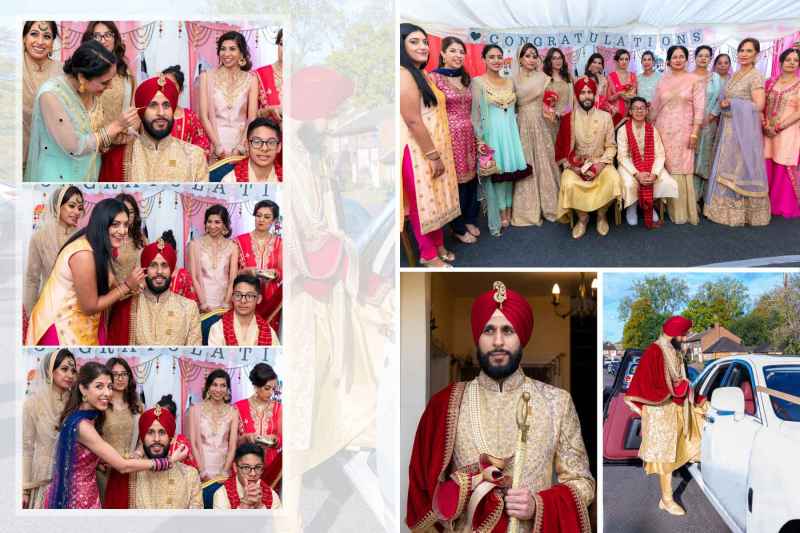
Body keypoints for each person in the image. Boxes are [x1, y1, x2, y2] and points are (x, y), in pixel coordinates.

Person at [406, 281, 595, 532]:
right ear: (478, 336)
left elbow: (583, 483)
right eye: (488, 330)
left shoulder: (557, 402)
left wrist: (538, 505)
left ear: (522, 337)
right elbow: (422, 492)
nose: (497, 341)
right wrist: (462, 487)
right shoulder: (445, 405)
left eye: (508, 331)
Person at [44, 362, 188, 508]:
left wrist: (101, 459)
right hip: (78, 497)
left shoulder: (86, 416)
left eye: (109, 387)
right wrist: (169, 461)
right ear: (83, 389)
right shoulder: (82, 425)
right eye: (99, 386)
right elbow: (123, 466)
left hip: (87, 488)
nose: (107, 393)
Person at [26, 198, 146, 346]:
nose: (122, 231)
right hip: (60, 326)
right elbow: (89, 307)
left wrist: (132, 286)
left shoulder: (98, 245)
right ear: (102, 224)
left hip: (82, 324)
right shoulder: (83, 254)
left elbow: (109, 283)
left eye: (125, 224)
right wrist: (126, 286)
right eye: (115, 224)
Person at [25, 40, 139, 182]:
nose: (110, 86)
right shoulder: (51, 95)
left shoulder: (91, 91)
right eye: (104, 82)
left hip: (89, 172)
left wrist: (112, 138)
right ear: (82, 77)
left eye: (111, 80)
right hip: (58, 176)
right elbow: (75, 146)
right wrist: (115, 126)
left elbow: (91, 134)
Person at [624, 316, 703, 516]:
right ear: (676, 332)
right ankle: (666, 500)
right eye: (684, 334)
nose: (685, 338)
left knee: (678, 449)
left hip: (675, 410)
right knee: (665, 456)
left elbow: (679, 378)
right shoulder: (654, 351)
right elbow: (652, 384)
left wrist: (690, 392)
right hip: (660, 413)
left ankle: (666, 499)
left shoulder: (673, 349)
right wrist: (681, 388)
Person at [400, 23, 460, 267]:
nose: (423, 46)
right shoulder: (403, 74)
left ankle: (437, 244)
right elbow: (413, 120)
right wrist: (433, 155)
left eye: (424, 41)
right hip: (417, 151)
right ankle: (428, 255)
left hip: (431, 147)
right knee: (422, 204)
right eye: (414, 41)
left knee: (433, 199)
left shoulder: (420, 73)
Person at [705, 38, 771, 226]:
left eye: (749, 51)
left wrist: (732, 103)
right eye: (741, 50)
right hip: (728, 128)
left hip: (744, 130)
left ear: (756, 55)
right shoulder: (736, 74)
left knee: (739, 167)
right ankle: (720, 210)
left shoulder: (755, 75)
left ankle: (741, 213)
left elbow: (759, 105)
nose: (743, 54)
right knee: (726, 166)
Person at [99, 74, 209, 181]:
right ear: (141, 112)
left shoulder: (194, 156)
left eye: (166, 105)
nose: (161, 112)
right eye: (153, 105)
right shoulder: (116, 159)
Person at [472, 44, 532, 235]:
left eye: (499, 57)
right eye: (492, 57)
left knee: (508, 172)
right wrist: (480, 139)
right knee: (495, 174)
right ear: (483, 59)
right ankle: (498, 214)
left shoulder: (509, 82)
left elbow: (514, 109)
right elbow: (475, 114)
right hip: (492, 134)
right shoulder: (478, 82)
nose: (496, 60)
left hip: (509, 132)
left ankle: (508, 210)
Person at [555, 76, 623, 238]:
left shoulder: (605, 117)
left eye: (590, 92)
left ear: (595, 95)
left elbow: (611, 146)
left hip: (600, 161)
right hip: (576, 164)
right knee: (568, 183)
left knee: (613, 179)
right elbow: (561, 150)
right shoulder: (568, 119)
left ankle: (601, 215)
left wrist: (600, 165)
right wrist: (575, 168)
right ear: (577, 95)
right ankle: (583, 218)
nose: (587, 96)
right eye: (583, 92)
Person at [429, 36, 479, 244]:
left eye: (461, 52)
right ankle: (457, 227)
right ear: (442, 54)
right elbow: (429, 111)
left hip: (468, 134)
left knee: (470, 180)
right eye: (453, 51)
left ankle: (468, 218)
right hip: (448, 137)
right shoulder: (434, 78)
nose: (458, 55)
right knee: (455, 183)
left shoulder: (466, 78)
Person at [106, 237, 202, 345]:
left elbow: (193, 354)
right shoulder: (125, 307)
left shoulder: (189, 308)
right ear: (145, 270)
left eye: (164, 266)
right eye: (153, 265)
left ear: (171, 270)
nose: (159, 271)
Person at [104, 405, 203, 509]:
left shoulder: (189, 476)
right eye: (150, 432)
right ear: (142, 438)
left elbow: (195, 522)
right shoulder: (129, 474)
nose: (156, 439)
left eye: (162, 432)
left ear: (171, 438)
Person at [650, 45, 705, 225]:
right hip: (663, 130)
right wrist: (648, 129)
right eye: (674, 57)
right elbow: (655, 107)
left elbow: (700, 108)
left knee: (682, 167)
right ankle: (663, 206)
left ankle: (681, 209)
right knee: (664, 164)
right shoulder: (662, 81)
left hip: (684, 131)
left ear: (686, 59)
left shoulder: (695, 80)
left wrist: (695, 133)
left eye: (682, 56)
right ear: (668, 61)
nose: (678, 59)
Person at [512, 43, 561, 226]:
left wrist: (552, 108)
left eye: (534, 55)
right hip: (523, 123)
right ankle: (528, 210)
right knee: (527, 162)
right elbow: (512, 105)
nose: (532, 59)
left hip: (542, 123)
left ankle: (550, 205)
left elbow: (550, 102)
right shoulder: (513, 80)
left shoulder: (544, 78)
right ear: (520, 59)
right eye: (527, 56)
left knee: (544, 160)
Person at [22, 349, 77, 508]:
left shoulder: (75, 403)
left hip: (71, 479)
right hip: (42, 479)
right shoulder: (33, 403)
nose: (70, 375)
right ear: (50, 370)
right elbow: (27, 448)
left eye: (73, 370)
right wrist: (24, 489)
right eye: (64, 369)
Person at [24, 186, 84, 327]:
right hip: (47, 310)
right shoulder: (40, 237)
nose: (77, 212)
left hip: (77, 311)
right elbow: (32, 279)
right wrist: (31, 314)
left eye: (80, 208)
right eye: (71, 206)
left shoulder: (83, 238)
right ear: (58, 206)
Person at [618, 97, 679, 228]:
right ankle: (632, 208)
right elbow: (622, 156)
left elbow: (660, 154)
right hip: (629, 165)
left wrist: (655, 173)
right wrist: (636, 174)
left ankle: (650, 207)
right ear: (630, 111)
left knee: (666, 180)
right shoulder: (623, 130)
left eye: (642, 108)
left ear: (646, 111)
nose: (639, 111)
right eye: (635, 108)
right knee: (629, 183)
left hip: (651, 164)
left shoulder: (653, 129)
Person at [199, 31, 259, 161]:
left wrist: (241, 146)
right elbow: (203, 116)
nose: (226, 54)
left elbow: (251, 118)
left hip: (242, 143)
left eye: (232, 49)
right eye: (223, 49)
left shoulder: (251, 79)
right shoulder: (206, 77)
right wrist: (217, 145)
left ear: (241, 53)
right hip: (214, 142)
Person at [97, 357, 143, 499]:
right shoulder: (100, 405)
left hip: (131, 469)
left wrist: (139, 453)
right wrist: (98, 460)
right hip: (104, 470)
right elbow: (91, 438)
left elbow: (143, 438)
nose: (120, 378)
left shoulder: (138, 406)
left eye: (124, 374)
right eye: (115, 375)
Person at [233, 200, 282, 331]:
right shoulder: (239, 241)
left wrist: (275, 273)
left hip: (271, 299)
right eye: (258, 215)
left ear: (274, 220)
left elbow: (282, 272)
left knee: (267, 336)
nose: (261, 220)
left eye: (267, 217)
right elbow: (231, 273)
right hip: (245, 296)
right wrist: (246, 271)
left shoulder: (280, 243)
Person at [764, 48, 800, 218]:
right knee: (767, 161)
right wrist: (765, 125)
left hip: (788, 131)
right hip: (767, 131)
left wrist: (779, 127)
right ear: (781, 62)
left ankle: (782, 205)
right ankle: (765, 203)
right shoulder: (770, 82)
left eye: (795, 60)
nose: (792, 63)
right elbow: (762, 106)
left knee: (782, 162)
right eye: (788, 59)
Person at [81, 22, 136, 131]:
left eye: (108, 35)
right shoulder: (82, 72)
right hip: (91, 142)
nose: (103, 40)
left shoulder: (125, 72)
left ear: (115, 38)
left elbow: (132, 110)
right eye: (97, 36)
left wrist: (130, 131)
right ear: (89, 40)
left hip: (121, 140)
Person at [23, 21, 62, 170]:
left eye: (46, 36)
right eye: (34, 34)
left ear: (52, 43)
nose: (40, 42)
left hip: (52, 158)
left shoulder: (63, 72)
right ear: (24, 38)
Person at [235, 363, 282, 488]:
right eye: (267, 388)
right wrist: (246, 438)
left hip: (272, 467)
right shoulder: (239, 407)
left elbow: (281, 439)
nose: (271, 392)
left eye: (273, 388)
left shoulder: (278, 408)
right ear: (256, 386)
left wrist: (274, 439)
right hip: (246, 466)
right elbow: (232, 442)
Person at [189, 369, 240, 482]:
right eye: (214, 385)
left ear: (227, 389)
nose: (218, 389)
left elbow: (232, 446)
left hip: (223, 471)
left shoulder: (233, 412)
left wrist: (224, 472)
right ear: (208, 387)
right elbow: (193, 443)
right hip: (200, 470)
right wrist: (202, 472)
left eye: (223, 386)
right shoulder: (195, 410)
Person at [188, 204, 239, 313]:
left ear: (225, 224)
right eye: (209, 221)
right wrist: (203, 304)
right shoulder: (194, 244)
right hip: (200, 302)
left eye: (217, 222)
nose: (212, 226)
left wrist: (226, 303)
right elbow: (193, 277)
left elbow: (232, 279)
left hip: (224, 303)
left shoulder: (233, 247)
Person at [207, 274, 280, 346]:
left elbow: (277, 357)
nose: (243, 301)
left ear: (258, 299)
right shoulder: (218, 329)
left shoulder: (268, 332)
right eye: (238, 295)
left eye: (249, 296)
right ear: (232, 297)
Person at [692, 45, 724, 202]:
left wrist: (711, 116)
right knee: (692, 156)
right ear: (695, 58)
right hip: (691, 124)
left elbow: (720, 99)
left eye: (707, 56)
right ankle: (691, 196)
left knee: (706, 156)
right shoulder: (688, 77)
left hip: (710, 123)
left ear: (710, 59)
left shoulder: (716, 78)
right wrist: (695, 120)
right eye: (700, 55)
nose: (703, 58)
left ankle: (703, 196)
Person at [208, 118, 283, 182]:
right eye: (257, 142)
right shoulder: (230, 181)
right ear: (247, 145)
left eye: (271, 142)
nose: (264, 148)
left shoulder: (290, 182)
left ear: (279, 147)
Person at [162, 65, 211, 158]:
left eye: (172, 84)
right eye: (164, 84)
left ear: (180, 90)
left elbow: (202, 143)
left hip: (186, 168)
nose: (168, 88)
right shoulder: (153, 115)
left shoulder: (189, 116)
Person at [212, 444, 281, 509]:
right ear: (235, 467)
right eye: (246, 467)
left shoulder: (272, 495)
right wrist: (244, 505)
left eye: (257, 467)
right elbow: (222, 522)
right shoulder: (222, 494)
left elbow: (277, 521)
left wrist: (260, 506)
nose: (253, 474)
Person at [112, 193, 146, 284]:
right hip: (118, 292)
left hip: (140, 289)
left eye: (131, 212)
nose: (128, 215)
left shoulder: (140, 236)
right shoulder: (111, 237)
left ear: (135, 214)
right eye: (124, 211)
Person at [542, 47, 573, 141]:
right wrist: (553, 113)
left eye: (559, 58)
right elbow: (539, 100)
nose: (557, 61)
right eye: (554, 58)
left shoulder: (568, 77)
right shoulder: (544, 78)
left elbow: (572, 99)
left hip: (566, 118)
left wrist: (567, 112)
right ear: (549, 61)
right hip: (550, 121)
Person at [158, 230, 198, 303]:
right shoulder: (153, 275)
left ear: (176, 253)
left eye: (169, 253)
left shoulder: (183, 276)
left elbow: (192, 304)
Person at [256, 28, 283, 122]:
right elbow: (250, 115)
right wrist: (268, 111)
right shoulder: (260, 74)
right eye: (282, 44)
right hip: (267, 132)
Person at [607, 48, 638, 126]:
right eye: (621, 59)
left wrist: (631, 97)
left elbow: (635, 94)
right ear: (617, 61)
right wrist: (618, 94)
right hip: (616, 114)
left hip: (631, 113)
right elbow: (608, 98)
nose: (624, 61)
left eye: (626, 59)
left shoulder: (633, 76)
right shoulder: (610, 77)